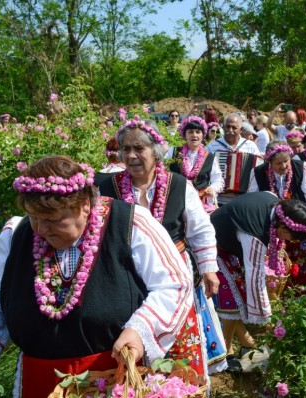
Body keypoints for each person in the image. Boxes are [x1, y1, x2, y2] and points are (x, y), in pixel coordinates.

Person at [0, 156, 194, 397]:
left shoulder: (130, 224)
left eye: (53, 220)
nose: (40, 229)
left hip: (112, 379)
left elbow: (174, 284)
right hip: (37, 381)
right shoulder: (15, 235)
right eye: (34, 217)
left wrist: (140, 330)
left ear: (84, 205)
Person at [98, 117, 227, 376]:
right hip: (126, 276)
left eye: (139, 149)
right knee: (132, 337)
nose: (131, 155)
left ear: (156, 152)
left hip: (174, 276)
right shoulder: (107, 187)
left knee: (179, 342)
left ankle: (182, 386)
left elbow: (200, 229)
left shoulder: (179, 185)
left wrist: (208, 268)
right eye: (126, 149)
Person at [210, 192, 306, 371]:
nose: (285, 240)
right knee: (231, 301)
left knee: (238, 296)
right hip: (210, 246)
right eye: (288, 237)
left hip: (226, 243)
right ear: (283, 225)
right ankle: (223, 355)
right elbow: (256, 279)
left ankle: (248, 345)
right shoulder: (254, 235)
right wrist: (267, 320)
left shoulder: (275, 204)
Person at [247, 142, 306, 297]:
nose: (283, 166)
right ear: (269, 162)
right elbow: (252, 199)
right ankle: (277, 296)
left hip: (300, 224)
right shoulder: (258, 172)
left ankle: (305, 296)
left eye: (286, 161)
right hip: (273, 227)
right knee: (276, 263)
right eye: (278, 163)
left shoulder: (301, 168)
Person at [166, 115, 224, 213]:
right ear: (184, 135)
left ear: (203, 134)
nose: (194, 135)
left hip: (200, 203)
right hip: (176, 201)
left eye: (198, 132)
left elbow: (218, 180)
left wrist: (212, 188)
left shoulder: (210, 157)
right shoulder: (173, 152)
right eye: (190, 132)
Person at [205, 113, 262, 205]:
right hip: (219, 199)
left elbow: (258, 170)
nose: (230, 130)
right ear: (223, 127)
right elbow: (204, 170)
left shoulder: (251, 146)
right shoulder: (212, 146)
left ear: (241, 130)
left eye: (234, 128)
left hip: (243, 200)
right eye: (227, 127)